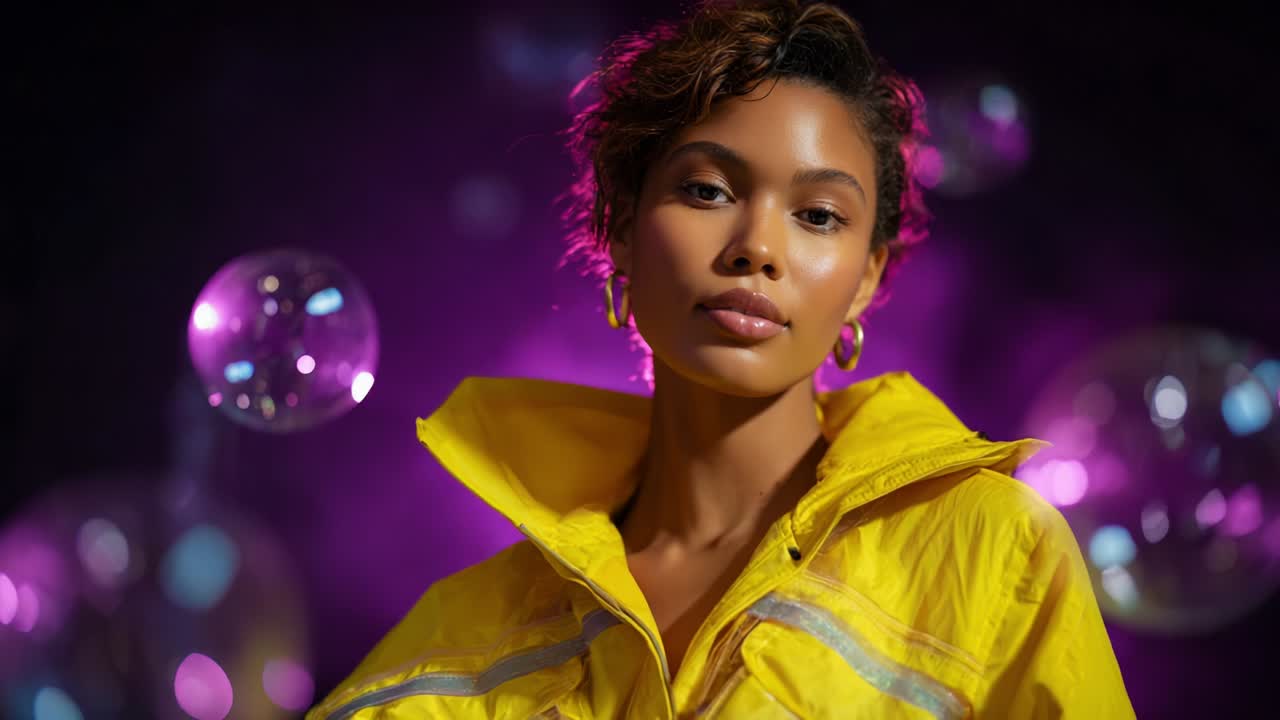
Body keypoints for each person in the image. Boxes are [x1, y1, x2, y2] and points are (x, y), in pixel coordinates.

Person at [307, 0, 1134, 717]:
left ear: (865, 281)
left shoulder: (996, 554)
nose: (757, 249)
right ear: (621, 233)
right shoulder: (458, 639)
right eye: (708, 191)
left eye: (818, 215)